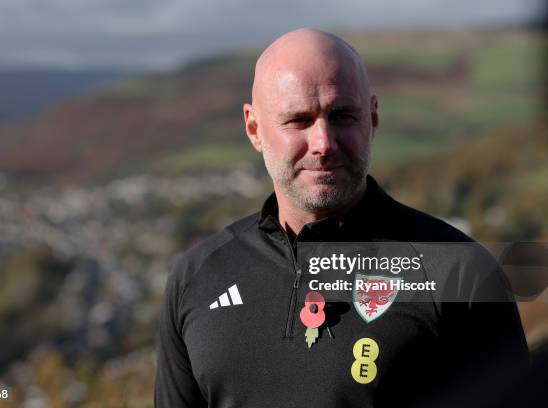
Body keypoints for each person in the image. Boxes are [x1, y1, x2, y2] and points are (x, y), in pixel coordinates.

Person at [155, 28, 529, 407]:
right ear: (254, 128)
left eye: (342, 116)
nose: (323, 143)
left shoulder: (459, 272)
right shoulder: (197, 277)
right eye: (298, 120)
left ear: (373, 116)